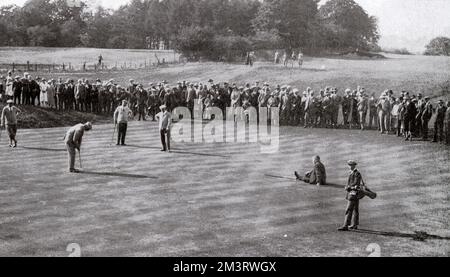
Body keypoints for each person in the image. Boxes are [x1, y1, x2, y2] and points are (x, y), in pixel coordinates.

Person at [338, 160, 363, 231]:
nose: (349, 166)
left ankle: (345, 225)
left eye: (350, 165)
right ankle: (355, 225)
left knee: (348, 209)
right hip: (355, 194)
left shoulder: (356, 173)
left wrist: (348, 187)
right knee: (355, 209)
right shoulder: (354, 173)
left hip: (353, 194)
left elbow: (356, 184)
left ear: (353, 166)